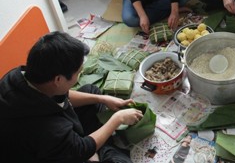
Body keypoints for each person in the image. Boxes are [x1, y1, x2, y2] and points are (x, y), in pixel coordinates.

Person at [0, 31, 144, 163]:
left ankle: (98, 146)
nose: (78, 77)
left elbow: (63, 96)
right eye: (78, 73)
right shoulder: (48, 128)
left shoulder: (18, 77)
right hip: (50, 153)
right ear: (58, 80)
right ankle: (101, 150)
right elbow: (79, 150)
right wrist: (117, 119)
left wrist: (103, 99)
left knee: (92, 91)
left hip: (51, 140)